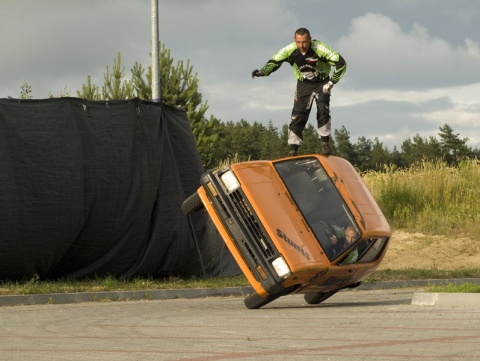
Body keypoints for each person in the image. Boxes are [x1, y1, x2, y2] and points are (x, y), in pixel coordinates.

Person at [252, 28, 347, 156]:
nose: (301, 46)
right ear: (295, 41)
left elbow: (341, 62)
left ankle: (325, 143)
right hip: (303, 84)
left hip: (322, 83)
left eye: (304, 42)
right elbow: (275, 61)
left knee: (322, 108)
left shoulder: (320, 48)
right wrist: (263, 71)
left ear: (310, 40)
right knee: (297, 115)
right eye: (298, 42)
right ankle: (293, 149)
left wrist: (332, 82)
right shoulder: (289, 50)